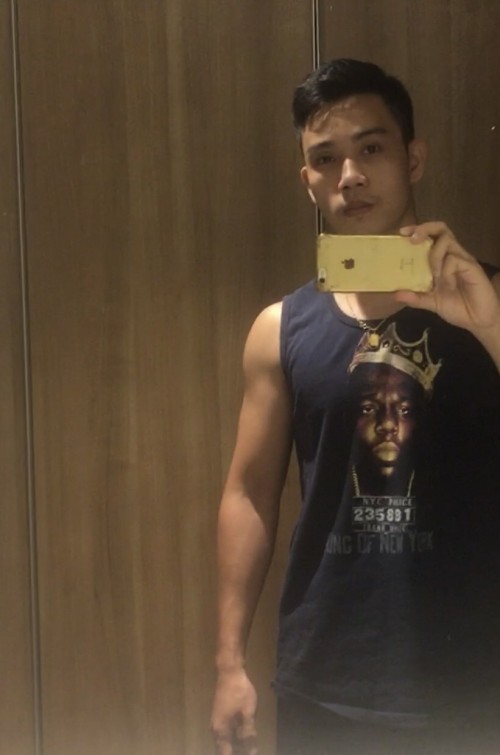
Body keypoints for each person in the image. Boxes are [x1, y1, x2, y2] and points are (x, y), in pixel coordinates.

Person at [210, 59, 500, 755]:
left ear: (413, 158)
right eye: (326, 158)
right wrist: (228, 662)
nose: (350, 175)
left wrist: (489, 326)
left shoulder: (491, 302)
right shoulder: (280, 328)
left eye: (371, 148)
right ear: (307, 180)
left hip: (475, 677)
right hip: (327, 676)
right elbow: (248, 494)